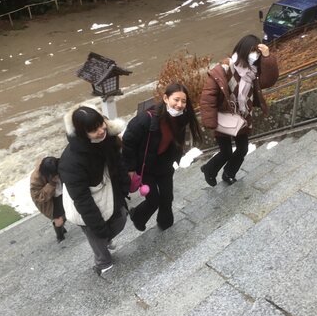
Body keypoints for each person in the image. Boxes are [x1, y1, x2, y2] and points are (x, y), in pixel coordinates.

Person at [58, 104, 130, 276]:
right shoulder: (70, 162)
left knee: (121, 218)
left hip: (108, 188)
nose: (100, 130)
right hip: (86, 202)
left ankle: (105, 238)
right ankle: (103, 264)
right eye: (93, 129)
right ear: (83, 133)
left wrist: (125, 183)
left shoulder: (108, 137)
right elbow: (82, 200)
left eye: (100, 124)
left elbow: (117, 161)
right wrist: (98, 227)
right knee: (96, 234)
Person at [199, 34, 279, 186]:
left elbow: (269, 80)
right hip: (224, 116)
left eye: (256, 52)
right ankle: (209, 169)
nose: (253, 55)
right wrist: (210, 120)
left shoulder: (253, 73)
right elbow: (208, 95)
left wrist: (267, 56)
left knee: (242, 149)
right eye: (251, 51)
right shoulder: (224, 68)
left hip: (242, 117)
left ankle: (229, 173)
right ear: (242, 50)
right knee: (226, 152)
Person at [122, 82, 202, 232]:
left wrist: (176, 159)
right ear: (166, 98)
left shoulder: (180, 118)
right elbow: (128, 142)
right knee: (153, 200)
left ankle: (165, 223)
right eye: (176, 100)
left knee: (167, 196)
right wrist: (131, 168)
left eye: (183, 101)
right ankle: (137, 215)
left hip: (164, 163)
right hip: (145, 166)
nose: (179, 105)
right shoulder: (145, 119)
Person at [30, 156, 67, 242]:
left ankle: (61, 227)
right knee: (59, 219)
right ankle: (60, 236)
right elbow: (38, 196)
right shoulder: (35, 179)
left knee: (66, 212)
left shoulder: (58, 164)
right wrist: (51, 184)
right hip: (50, 201)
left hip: (62, 192)